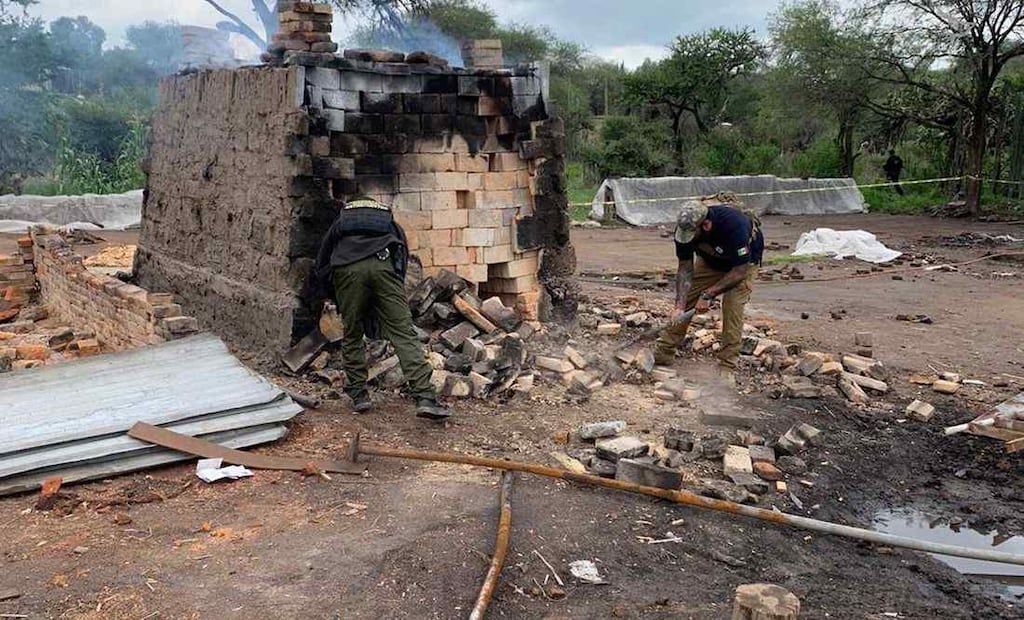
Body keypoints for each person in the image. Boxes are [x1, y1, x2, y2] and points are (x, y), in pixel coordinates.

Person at [310, 195, 450, 421]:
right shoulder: (387, 221)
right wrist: (395, 284)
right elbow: (402, 253)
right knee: (403, 332)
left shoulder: (341, 221)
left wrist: (332, 291)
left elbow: (322, 260)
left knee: (352, 333)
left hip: (347, 270)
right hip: (384, 267)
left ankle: (359, 395)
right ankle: (425, 397)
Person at [654, 196, 764, 385]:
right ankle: (664, 351)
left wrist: (708, 294)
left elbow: (739, 271)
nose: (687, 238)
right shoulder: (684, 229)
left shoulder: (734, 225)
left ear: (706, 225)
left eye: (692, 234)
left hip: (741, 265)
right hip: (711, 260)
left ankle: (727, 366)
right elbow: (685, 268)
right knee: (687, 297)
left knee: (732, 307)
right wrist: (679, 305)